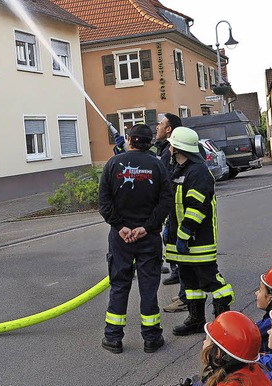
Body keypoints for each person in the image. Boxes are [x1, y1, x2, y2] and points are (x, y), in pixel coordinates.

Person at [98, 124, 173, 354]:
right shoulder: (158, 166)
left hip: (120, 240)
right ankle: (151, 338)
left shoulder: (112, 165)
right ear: (149, 142)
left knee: (119, 285)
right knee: (148, 287)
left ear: (129, 140)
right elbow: (166, 201)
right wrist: (146, 228)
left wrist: (120, 227)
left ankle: (113, 338)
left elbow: (104, 202)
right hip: (148, 238)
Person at [164, 127, 234, 336]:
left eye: (171, 144)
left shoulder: (199, 172)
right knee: (190, 283)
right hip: (182, 239)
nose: (168, 148)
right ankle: (196, 320)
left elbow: (196, 208)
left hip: (198, 240)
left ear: (177, 148)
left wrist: (183, 235)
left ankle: (224, 321)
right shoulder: (180, 169)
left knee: (211, 280)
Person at [156, 114, 189, 314]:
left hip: (179, 217)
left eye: (160, 124)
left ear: (169, 130)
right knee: (177, 254)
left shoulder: (172, 154)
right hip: (173, 215)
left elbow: (165, 179)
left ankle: (186, 297)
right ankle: (184, 291)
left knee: (185, 259)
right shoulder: (164, 150)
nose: (157, 127)